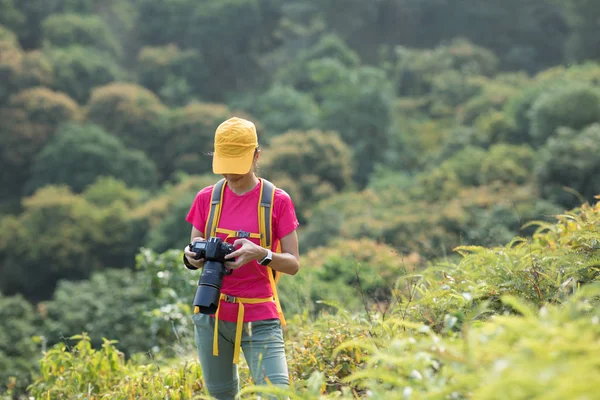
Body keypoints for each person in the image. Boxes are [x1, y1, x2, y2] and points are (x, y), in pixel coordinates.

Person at [183, 116, 300, 400]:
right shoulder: (206, 199)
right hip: (212, 313)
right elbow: (193, 252)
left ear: (256, 155)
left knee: (277, 395)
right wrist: (191, 257)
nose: (230, 174)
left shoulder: (277, 201)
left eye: (238, 164)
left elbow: (293, 264)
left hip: (259, 315)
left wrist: (261, 253)